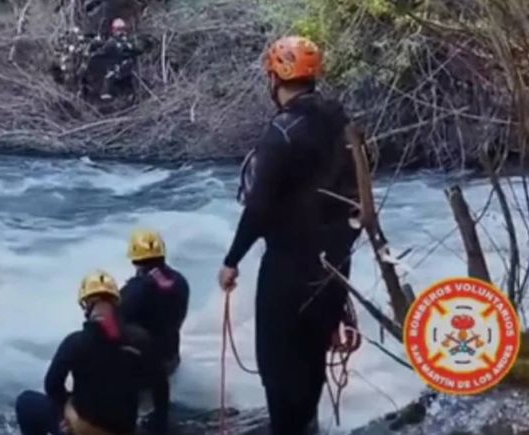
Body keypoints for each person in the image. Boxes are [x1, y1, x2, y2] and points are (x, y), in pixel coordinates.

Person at [217, 35, 360, 435]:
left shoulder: (281, 133)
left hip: (287, 267)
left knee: (279, 368)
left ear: (275, 76)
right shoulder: (340, 123)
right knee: (312, 362)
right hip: (334, 264)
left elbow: (259, 208)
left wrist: (232, 259)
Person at [14, 270, 170, 435]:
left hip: (82, 430)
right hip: (125, 430)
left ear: (86, 305)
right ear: (116, 303)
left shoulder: (75, 342)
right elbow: (161, 386)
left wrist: (67, 408)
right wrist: (158, 427)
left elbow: (52, 385)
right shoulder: (140, 340)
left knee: (26, 402)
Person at [120, 229, 190, 374]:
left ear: (134, 260)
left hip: (145, 365)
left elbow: (111, 321)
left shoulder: (135, 289)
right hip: (171, 358)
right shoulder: (180, 281)